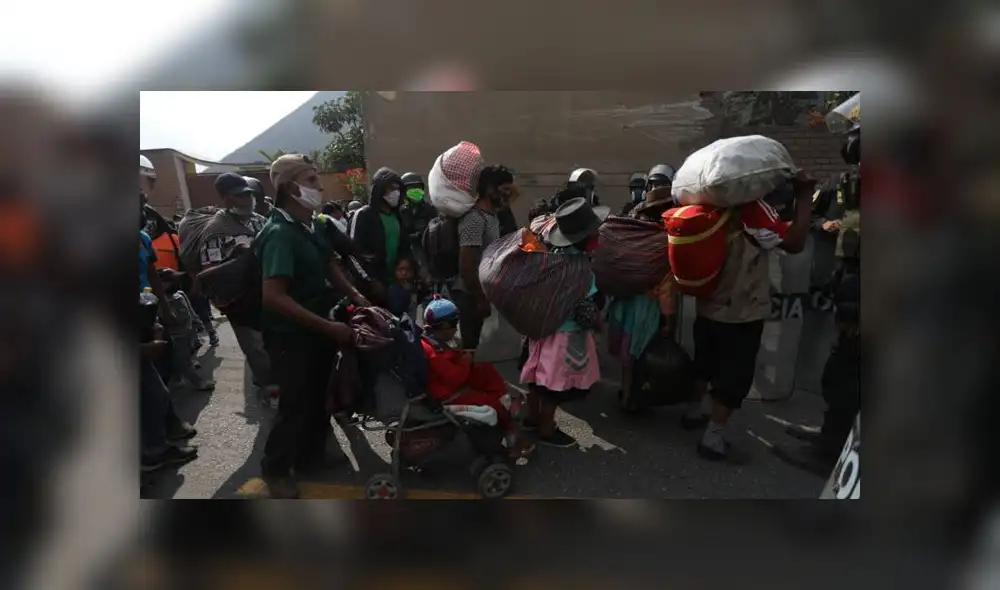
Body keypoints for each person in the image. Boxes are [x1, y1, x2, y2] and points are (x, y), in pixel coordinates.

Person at [257, 153, 371, 498]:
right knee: (295, 403)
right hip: (290, 336)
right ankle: (275, 469)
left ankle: (310, 457)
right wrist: (325, 326)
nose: (319, 186)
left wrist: (355, 296)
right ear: (290, 187)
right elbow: (274, 296)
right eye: (311, 180)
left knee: (320, 396)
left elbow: (330, 264)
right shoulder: (278, 233)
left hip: (320, 328)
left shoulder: (313, 225)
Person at [688, 173, 814, 463]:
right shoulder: (753, 212)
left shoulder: (705, 207)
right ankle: (713, 439)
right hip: (741, 312)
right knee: (734, 375)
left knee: (704, 362)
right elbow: (794, 243)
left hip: (708, 305)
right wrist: (805, 196)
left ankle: (692, 413)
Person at [773, 92, 861, 475]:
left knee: (848, 376)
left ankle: (832, 454)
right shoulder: (849, 184)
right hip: (849, 288)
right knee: (842, 370)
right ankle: (833, 434)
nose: (852, 140)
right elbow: (805, 220)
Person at [520, 196, 609, 448]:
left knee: (538, 378)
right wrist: (599, 325)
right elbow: (588, 304)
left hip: (541, 330)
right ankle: (546, 429)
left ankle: (531, 417)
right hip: (565, 336)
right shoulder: (580, 268)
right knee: (554, 387)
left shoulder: (551, 256)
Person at [420, 296, 534, 458]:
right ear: (445, 325)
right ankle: (509, 435)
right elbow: (454, 377)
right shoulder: (432, 352)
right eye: (454, 324)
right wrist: (465, 362)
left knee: (484, 367)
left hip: (449, 381)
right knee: (492, 404)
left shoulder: (431, 340)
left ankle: (503, 398)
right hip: (448, 394)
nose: (456, 328)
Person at [199, 172, 277, 399]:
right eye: (240, 196)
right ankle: (267, 388)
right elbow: (209, 273)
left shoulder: (259, 221)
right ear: (226, 199)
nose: (248, 200)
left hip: (267, 293)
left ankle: (273, 381)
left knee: (273, 343)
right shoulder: (216, 231)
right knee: (256, 349)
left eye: (249, 194)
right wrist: (237, 257)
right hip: (239, 301)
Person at [606, 185, 678, 412]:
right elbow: (666, 289)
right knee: (641, 354)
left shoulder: (633, 233)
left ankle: (626, 392)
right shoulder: (663, 242)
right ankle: (634, 397)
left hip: (625, 302)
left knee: (628, 357)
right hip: (646, 309)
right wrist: (669, 321)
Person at [453, 165, 516, 350]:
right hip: (469, 294)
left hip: (481, 292)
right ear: (490, 189)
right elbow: (466, 264)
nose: (507, 194)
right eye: (504, 189)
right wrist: (480, 298)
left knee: (478, 347)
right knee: (468, 347)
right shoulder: (474, 218)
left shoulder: (493, 216)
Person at [348, 168, 412, 301]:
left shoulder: (398, 217)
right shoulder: (363, 215)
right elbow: (353, 254)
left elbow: (404, 247)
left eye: (398, 188)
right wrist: (371, 281)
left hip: (394, 284)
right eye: (391, 188)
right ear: (379, 190)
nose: (396, 193)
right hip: (370, 288)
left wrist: (405, 267)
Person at [157, 268, 215, 392]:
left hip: (188, 333)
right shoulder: (160, 301)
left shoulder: (180, 294)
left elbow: (190, 310)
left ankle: (177, 380)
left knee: (185, 357)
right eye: (170, 281)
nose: (174, 283)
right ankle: (198, 382)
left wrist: (197, 322)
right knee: (182, 361)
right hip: (176, 336)